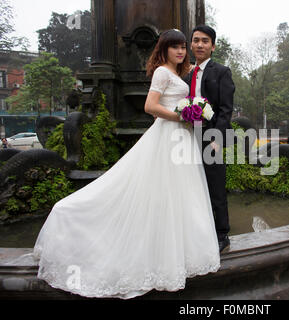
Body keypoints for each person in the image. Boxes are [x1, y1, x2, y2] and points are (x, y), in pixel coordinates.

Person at [31, 29, 220, 299]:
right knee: (158, 189)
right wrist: (182, 115)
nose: (180, 51)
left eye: (182, 47)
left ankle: (173, 251)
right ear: (163, 49)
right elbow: (150, 106)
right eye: (174, 47)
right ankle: (74, 220)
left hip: (181, 139)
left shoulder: (178, 74)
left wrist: (194, 111)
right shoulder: (162, 73)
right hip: (168, 136)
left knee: (176, 195)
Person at [185, 25, 235, 253]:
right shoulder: (187, 74)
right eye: (196, 40)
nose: (200, 45)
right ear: (191, 44)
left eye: (205, 41)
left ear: (212, 46)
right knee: (192, 184)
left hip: (211, 136)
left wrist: (218, 138)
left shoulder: (221, 72)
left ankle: (222, 233)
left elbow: (226, 109)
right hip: (187, 137)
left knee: (215, 184)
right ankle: (198, 230)